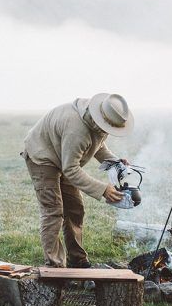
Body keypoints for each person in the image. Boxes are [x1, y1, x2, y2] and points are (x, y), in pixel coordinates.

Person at [21, 93, 134, 268]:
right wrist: (102, 189)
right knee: (54, 210)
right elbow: (71, 169)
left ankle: (77, 260)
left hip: (64, 157)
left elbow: (97, 145)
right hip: (42, 155)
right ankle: (55, 266)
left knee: (75, 209)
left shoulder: (99, 120)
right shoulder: (77, 129)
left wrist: (115, 162)